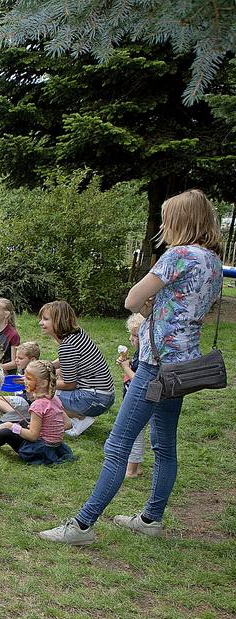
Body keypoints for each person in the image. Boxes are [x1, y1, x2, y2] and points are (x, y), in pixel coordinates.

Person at [40, 189, 223, 545]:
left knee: (117, 445)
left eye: (168, 219)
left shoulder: (178, 255)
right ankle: (151, 519)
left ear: (181, 221)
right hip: (183, 367)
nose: (165, 226)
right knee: (164, 445)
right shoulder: (213, 261)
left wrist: (149, 306)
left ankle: (82, 526)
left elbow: (132, 299)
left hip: (154, 366)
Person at [37, 300, 115, 436]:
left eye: (45, 319)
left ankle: (77, 419)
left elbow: (69, 384)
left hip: (94, 399)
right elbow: (67, 362)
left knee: (41, 392)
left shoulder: (67, 347)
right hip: (104, 395)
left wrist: (41, 384)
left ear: (59, 321)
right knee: (56, 374)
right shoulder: (77, 334)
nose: (40, 323)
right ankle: (79, 415)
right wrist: (47, 366)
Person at [0, 360, 74, 465]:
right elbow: (68, 424)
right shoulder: (54, 398)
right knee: (24, 422)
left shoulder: (38, 404)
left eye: (28, 378)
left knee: (5, 431)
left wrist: (11, 426)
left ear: (43, 383)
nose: (24, 381)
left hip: (40, 451)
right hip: (56, 448)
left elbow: (33, 436)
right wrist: (49, 430)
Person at [117, 314, 149, 478]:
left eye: (135, 335)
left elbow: (139, 380)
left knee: (135, 433)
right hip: (134, 397)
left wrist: (125, 367)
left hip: (140, 400)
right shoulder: (140, 353)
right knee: (135, 432)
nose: (131, 339)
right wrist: (128, 362)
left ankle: (131, 470)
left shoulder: (146, 356)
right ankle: (137, 467)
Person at [0, 341, 41, 422]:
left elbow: (34, 397)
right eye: (16, 357)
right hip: (23, 399)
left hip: (27, 402)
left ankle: (17, 416)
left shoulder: (34, 373)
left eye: (20, 358)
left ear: (32, 360)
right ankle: (15, 415)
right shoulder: (23, 370)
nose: (16, 360)